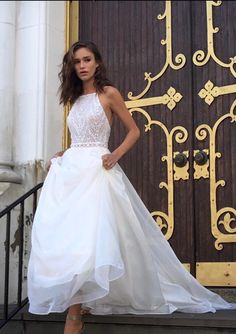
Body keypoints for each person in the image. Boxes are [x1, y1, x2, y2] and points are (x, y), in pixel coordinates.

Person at [27, 41, 236, 334]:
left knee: (90, 239)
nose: (83, 65)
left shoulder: (108, 93)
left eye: (87, 60)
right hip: (73, 171)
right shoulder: (74, 99)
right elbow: (80, 138)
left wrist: (115, 155)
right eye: (77, 62)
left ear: (97, 62)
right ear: (72, 67)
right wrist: (63, 153)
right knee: (73, 239)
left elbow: (134, 130)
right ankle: (83, 299)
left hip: (97, 173)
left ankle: (74, 314)